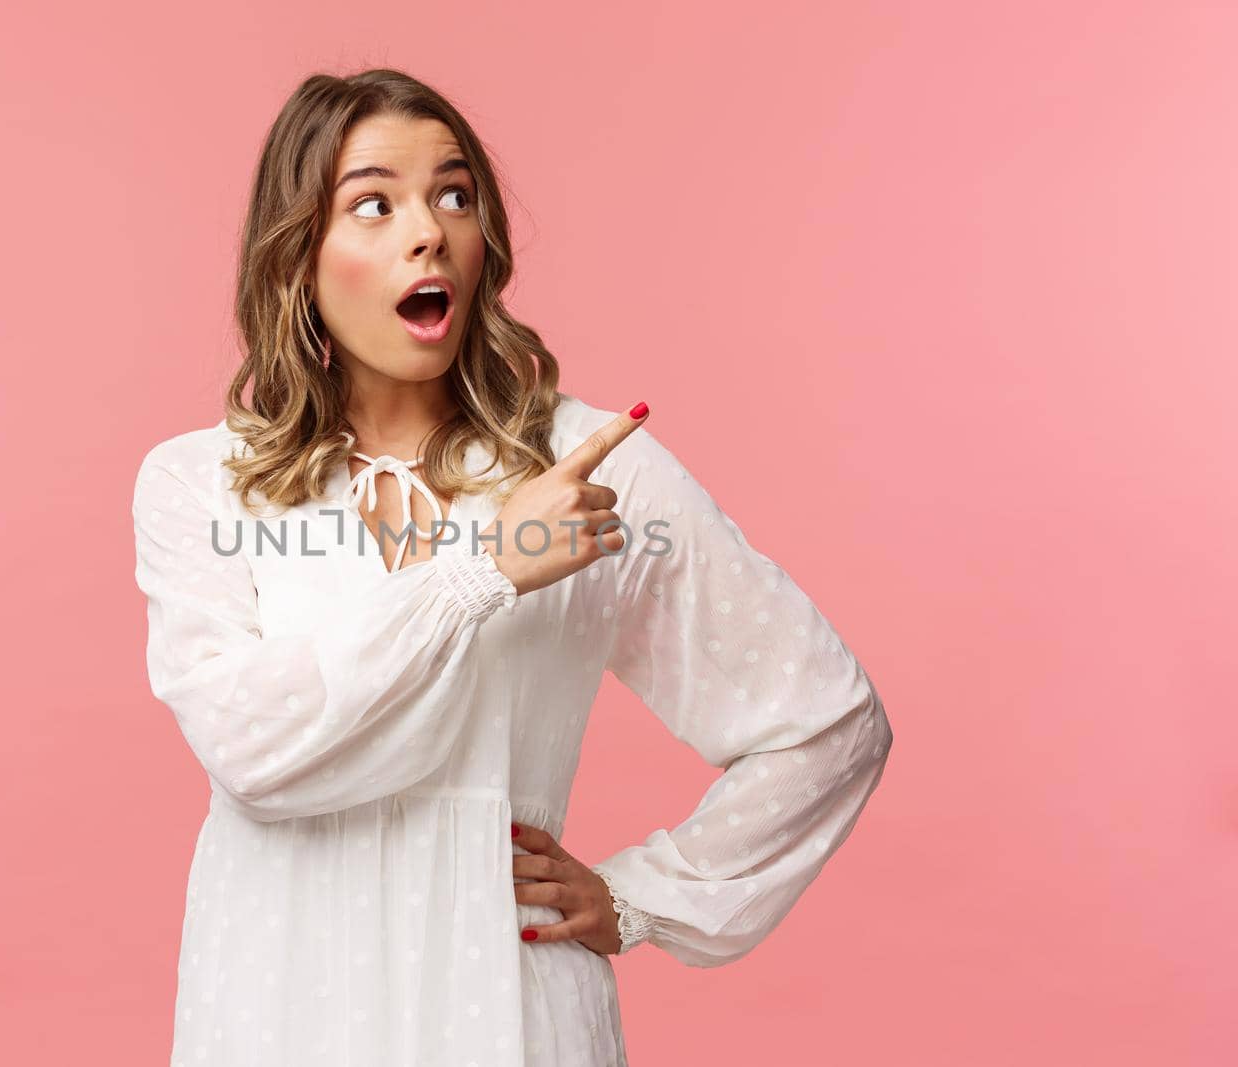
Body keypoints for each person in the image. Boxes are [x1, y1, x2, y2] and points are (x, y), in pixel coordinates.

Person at [131, 68, 894, 1067]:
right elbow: (252, 752)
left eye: (454, 195)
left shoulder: (585, 467)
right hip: (276, 998)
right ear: (297, 254)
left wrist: (642, 897)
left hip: (505, 1000)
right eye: (375, 202)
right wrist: (481, 566)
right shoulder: (202, 483)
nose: (428, 231)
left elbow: (826, 721)